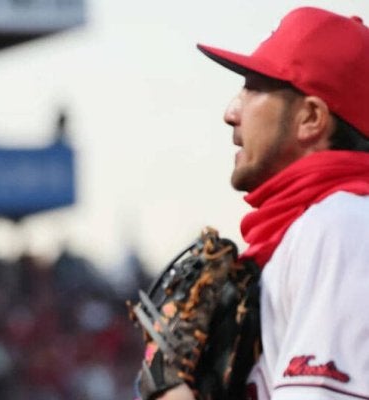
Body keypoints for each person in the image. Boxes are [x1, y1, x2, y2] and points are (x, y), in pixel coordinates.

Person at [156, 6, 369, 400]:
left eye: (253, 87)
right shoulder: (313, 231)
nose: (230, 112)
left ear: (311, 117)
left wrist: (170, 392)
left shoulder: (343, 226)